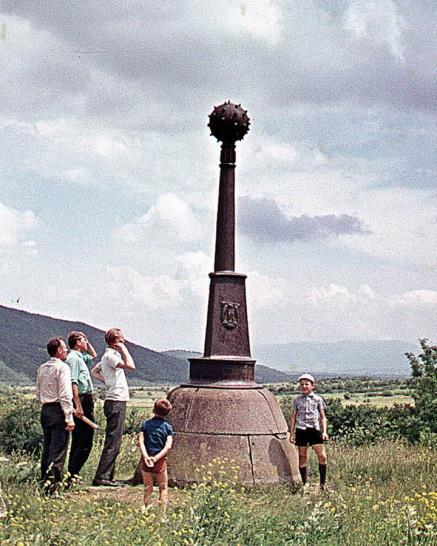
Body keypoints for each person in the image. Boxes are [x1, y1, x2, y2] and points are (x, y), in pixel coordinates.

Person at [91, 328, 135, 486]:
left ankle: (107, 476)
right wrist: (124, 350)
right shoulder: (110, 356)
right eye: (121, 339)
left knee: (114, 440)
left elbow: (95, 371)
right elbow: (131, 366)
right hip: (116, 400)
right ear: (115, 341)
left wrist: (108, 382)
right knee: (113, 441)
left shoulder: (108, 357)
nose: (124, 341)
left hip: (114, 398)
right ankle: (101, 477)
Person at [36, 337, 75, 493]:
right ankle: (53, 487)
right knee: (58, 450)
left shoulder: (42, 368)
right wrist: (69, 417)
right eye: (64, 348)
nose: (66, 350)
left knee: (47, 448)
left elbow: (38, 392)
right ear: (59, 351)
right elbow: (65, 394)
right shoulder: (63, 368)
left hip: (45, 410)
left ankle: (44, 482)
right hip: (58, 410)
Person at [66, 331, 97, 482]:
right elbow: (73, 382)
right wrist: (78, 404)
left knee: (80, 439)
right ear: (78, 343)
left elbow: (94, 355)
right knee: (84, 440)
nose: (86, 342)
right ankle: (73, 473)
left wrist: (86, 340)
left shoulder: (80, 357)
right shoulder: (73, 359)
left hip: (85, 399)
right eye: (84, 340)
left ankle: (72, 474)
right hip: (82, 399)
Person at [289, 373, 328, 490]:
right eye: (302, 384)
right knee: (302, 456)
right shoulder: (296, 400)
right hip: (301, 430)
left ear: (312, 386)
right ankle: (305, 484)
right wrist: (291, 434)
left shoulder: (318, 399)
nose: (304, 386)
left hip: (314, 430)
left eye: (307, 384)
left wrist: (324, 431)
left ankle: (322, 484)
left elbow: (322, 417)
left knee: (322, 456)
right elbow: (293, 417)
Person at [139, 399, 173, 510]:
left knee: (148, 487)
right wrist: (156, 458)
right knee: (163, 487)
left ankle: (146, 509)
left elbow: (141, 442)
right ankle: (162, 514)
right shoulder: (167, 427)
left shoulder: (145, 425)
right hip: (160, 461)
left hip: (146, 460)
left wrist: (146, 457)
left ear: (153, 409)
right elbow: (168, 446)